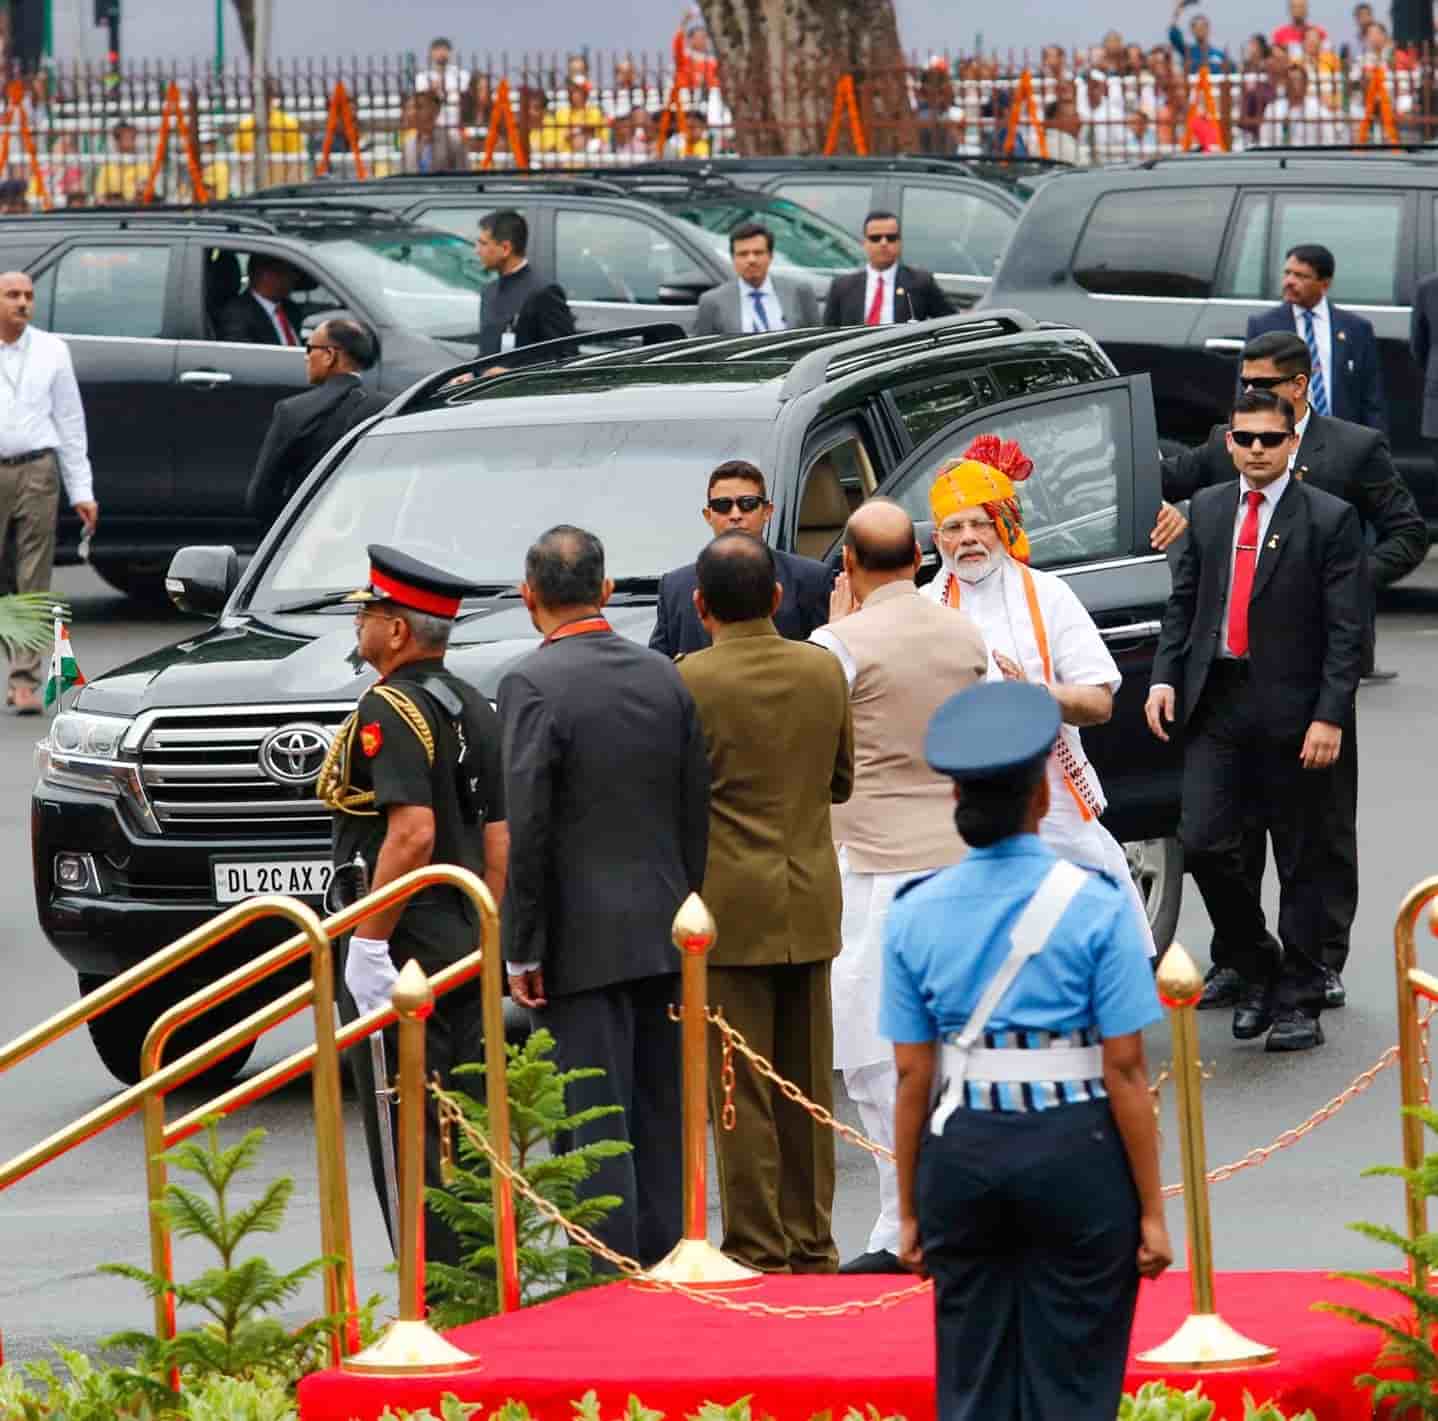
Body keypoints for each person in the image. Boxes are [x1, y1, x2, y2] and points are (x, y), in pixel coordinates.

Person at [884, 680, 1170, 1421]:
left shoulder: (912, 912)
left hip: (963, 1153)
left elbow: (914, 1073)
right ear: (1042, 800)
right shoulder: (1099, 903)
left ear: (956, 804)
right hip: (1075, 1149)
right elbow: (1126, 1069)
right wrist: (1152, 1210)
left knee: (972, 1379)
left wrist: (911, 1209)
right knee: (1075, 1380)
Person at [1158, 332, 1423, 1009]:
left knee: (1316, 837)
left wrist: (1350, 583)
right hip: (1225, 684)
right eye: (1244, 384)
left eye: (1266, 386)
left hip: (1308, 674)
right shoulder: (1232, 442)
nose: (1251, 424)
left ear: (1299, 389)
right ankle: (1242, 958)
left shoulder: (1350, 448)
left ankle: (1316, 965)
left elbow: (1406, 531)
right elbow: (1174, 487)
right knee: (1220, 838)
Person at [499, 525, 709, 1269]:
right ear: (607, 591)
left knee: (593, 1117)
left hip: (576, 939)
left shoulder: (530, 683)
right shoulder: (662, 673)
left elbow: (529, 825)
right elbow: (694, 807)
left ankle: (607, 1278)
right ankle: (669, 1259)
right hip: (665, 923)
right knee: (658, 1110)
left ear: (530, 597)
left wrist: (520, 944)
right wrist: (690, 910)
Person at [1146, 390, 1366, 1053]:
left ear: (1292, 443)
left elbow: (1346, 631)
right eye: (1246, 439)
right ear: (1231, 443)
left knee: (1300, 858)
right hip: (1218, 704)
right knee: (1205, 841)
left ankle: (1299, 998)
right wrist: (1162, 675)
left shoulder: (1329, 519)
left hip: (1296, 713)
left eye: (1271, 439)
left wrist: (1330, 715)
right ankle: (1259, 962)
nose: (1258, 450)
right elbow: (1184, 602)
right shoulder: (1208, 510)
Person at [808, 500, 987, 1275]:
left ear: (846, 563)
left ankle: (899, 1218)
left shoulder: (834, 644)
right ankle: (958, 1210)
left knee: (879, 1055)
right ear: (919, 556)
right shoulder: (962, 629)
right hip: (956, 856)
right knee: (956, 1046)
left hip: (872, 863)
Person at [318, 545, 509, 1265]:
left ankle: (426, 1294)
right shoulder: (471, 702)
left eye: (369, 612)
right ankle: (478, 1280)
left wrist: (367, 944)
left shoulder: (388, 705)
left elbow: (412, 831)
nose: (361, 625)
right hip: (462, 939)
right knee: (464, 1120)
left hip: (404, 948)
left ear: (396, 631)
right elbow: (498, 844)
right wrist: (482, 928)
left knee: (410, 1132)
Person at [676, 531, 853, 1273]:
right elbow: (840, 780)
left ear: (699, 605)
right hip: (809, 893)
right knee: (809, 1087)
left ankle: (757, 1242)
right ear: (778, 597)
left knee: (738, 1084)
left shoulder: (688, 679)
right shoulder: (821, 669)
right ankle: (813, 1238)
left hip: (726, 904)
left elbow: (678, 797)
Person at [921, 434, 1160, 959]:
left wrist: (1035, 696)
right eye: (953, 527)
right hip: (954, 808)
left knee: (1085, 945)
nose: (967, 538)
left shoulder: (1049, 596)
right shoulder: (922, 609)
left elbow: (1099, 704)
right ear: (937, 538)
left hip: (1048, 801)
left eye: (979, 523)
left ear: (1004, 526)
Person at [0, 270, 98, 714]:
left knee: (32, 578)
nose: (22, 302)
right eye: (12, 295)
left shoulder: (52, 351)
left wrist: (82, 489)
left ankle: (24, 680)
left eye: (28, 295)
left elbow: (70, 422)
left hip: (38, 469)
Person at [650, 460, 831, 658]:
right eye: (723, 506)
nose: (735, 515)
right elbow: (659, 670)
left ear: (767, 512)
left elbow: (824, 658)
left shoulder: (810, 579)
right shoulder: (675, 587)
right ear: (708, 515)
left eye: (748, 504)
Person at [245, 319, 387, 525]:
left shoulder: (293, 411)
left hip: (308, 535)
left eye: (310, 348)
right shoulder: (387, 409)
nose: (306, 357)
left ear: (330, 355)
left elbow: (259, 500)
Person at [1246, 245, 1386, 433]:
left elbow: (1372, 397)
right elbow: (1248, 391)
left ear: (1325, 284)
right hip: (1284, 435)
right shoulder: (1263, 326)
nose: (1289, 281)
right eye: (1287, 273)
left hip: (1342, 438)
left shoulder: (1356, 329)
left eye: (1301, 276)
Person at [474, 209, 575, 373]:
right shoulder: (488, 292)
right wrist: (471, 375)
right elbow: (487, 354)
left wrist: (513, 372)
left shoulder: (543, 291)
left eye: (483, 244)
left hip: (522, 394)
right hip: (486, 395)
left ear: (505, 248)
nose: (476, 250)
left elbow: (565, 356)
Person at [822, 211, 955, 327]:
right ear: (865, 244)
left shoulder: (920, 283)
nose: (883, 243)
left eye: (891, 238)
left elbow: (951, 323)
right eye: (876, 238)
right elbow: (827, 335)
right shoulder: (842, 287)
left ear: (899, 242)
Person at [693, 222, 821, 336]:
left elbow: (818, 340)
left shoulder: (799, 291)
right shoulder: (712, 301)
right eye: (743, 254)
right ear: (733, 258)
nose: (751, 260)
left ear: (770, 256)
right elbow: (702, 354)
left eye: (758, 253)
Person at [216, 254, 305, 347]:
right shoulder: (236, 315)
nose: (295, 278)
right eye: (287, 272)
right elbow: (243, 356)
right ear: (264, 274)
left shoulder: (291, 309)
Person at [403, 90, 467, 173]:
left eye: (419, 107)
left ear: (435, 110)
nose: (412, 113)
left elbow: (464, 176)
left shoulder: (453, 141)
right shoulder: (408, 144)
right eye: (409, 108)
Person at [94, 119, 145, 204]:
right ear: (117, 141)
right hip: (112, 212)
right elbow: (100, 196)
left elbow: (143, 193)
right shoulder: (107, 166)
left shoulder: (142, 164)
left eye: (133, 137)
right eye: (126, 137)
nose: (131, 141)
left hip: (136, 210)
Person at [1169, 2, 1227, 72]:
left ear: (1208, 28)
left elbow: (1233, 71)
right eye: (1196, 27)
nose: (1200, 30)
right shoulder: (1187, 52)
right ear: (1192, 30)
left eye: (1202, 27)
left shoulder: (1219, 54)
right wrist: (1179, 8)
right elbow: (1174, 35)